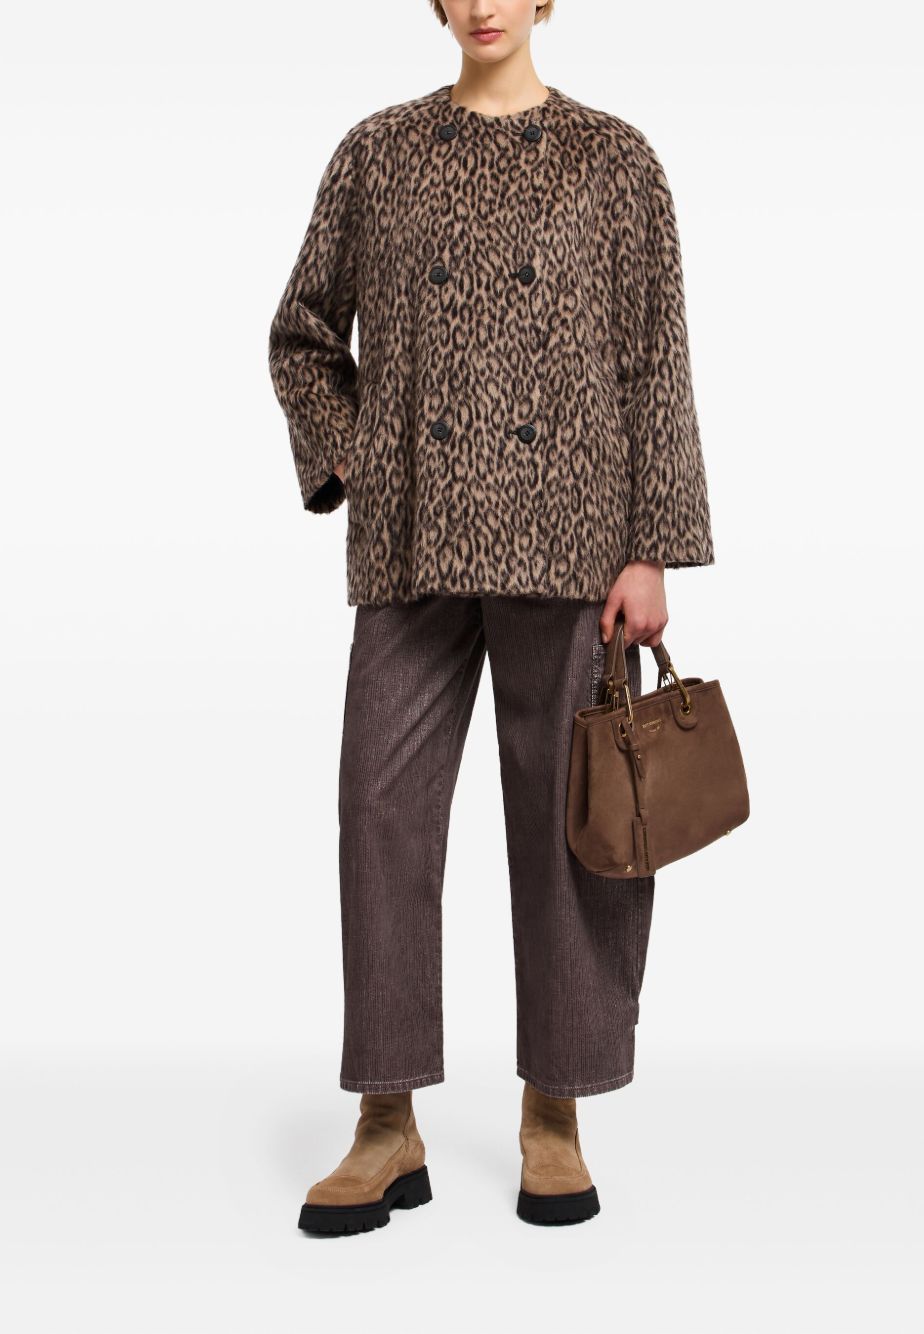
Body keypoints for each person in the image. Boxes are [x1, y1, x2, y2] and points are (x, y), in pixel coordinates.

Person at [268, 0, 714, 1233]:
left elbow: (654, 360)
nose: (479, 5)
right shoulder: (377, 150)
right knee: (378, 812)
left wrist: (653, 547)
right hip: (411, 538)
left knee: (569, 825)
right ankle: (386, 1118)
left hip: (571, 535)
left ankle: (554, 1110)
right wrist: (359, 457)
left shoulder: (614, 159)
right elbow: (302, 332)